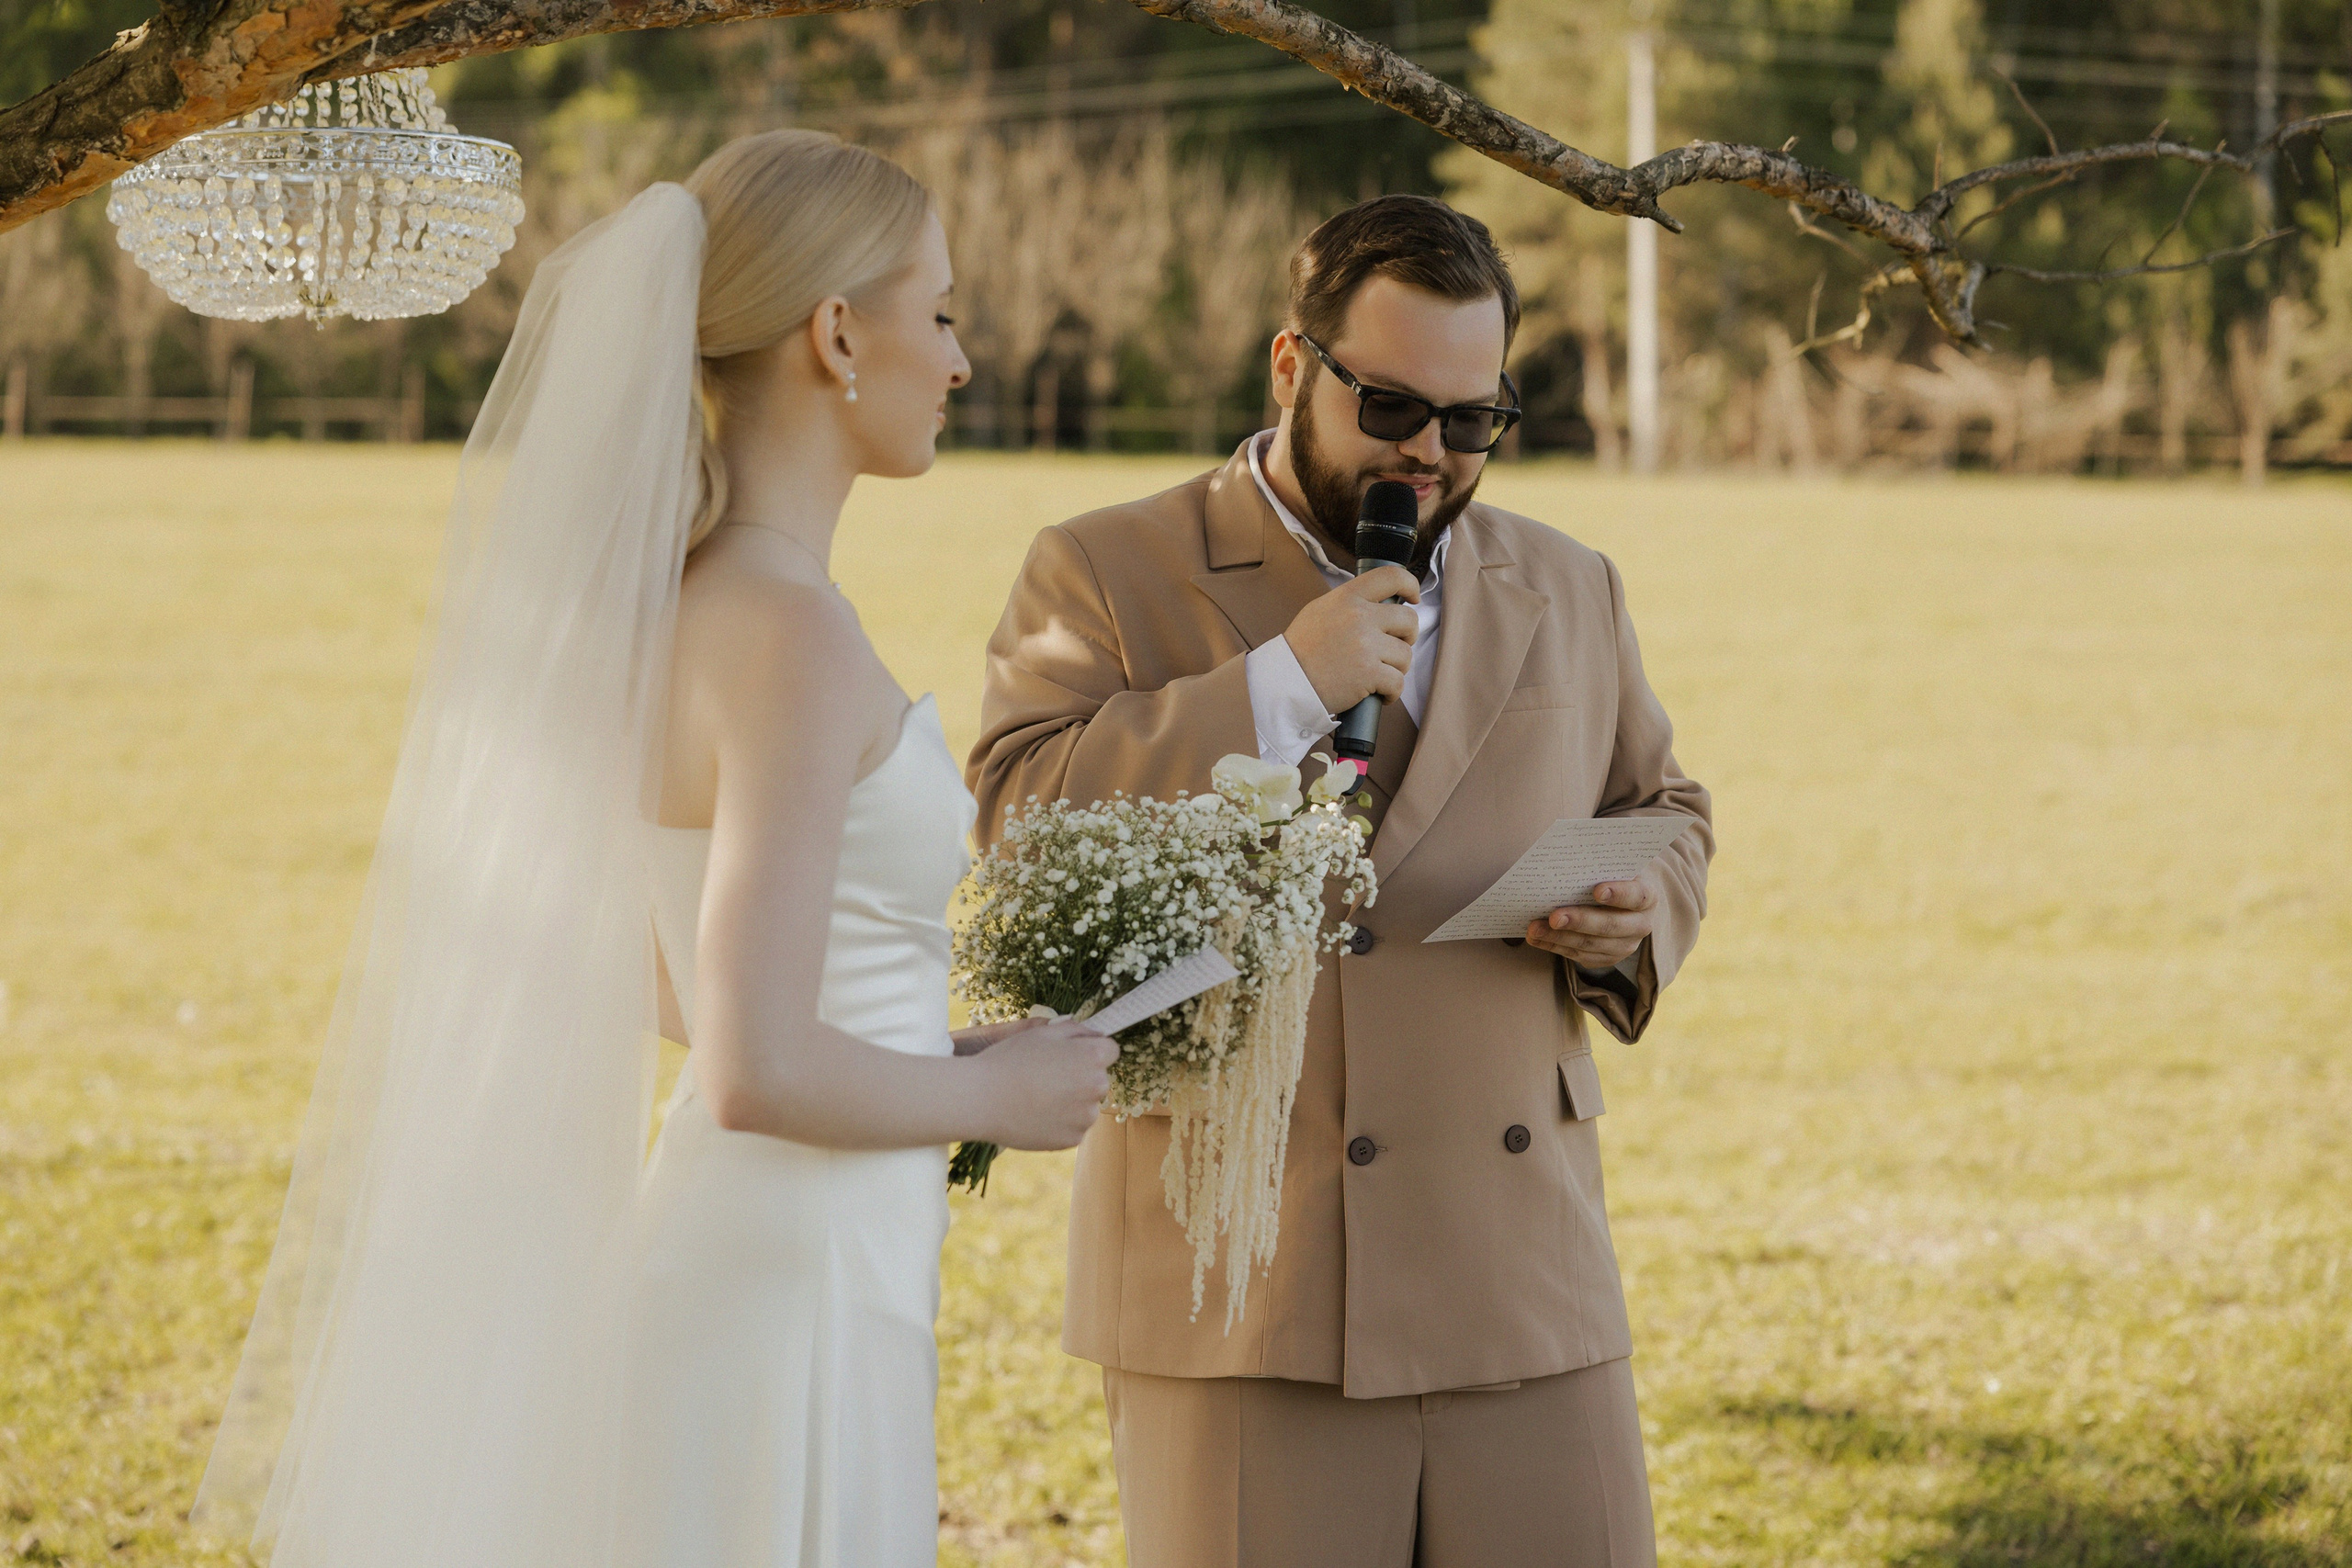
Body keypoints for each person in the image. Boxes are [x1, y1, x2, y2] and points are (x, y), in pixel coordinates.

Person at [191, 130, 1115, 1568]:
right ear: (834, 334)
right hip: (790, 1274)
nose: (960, 360)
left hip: (783, 1252)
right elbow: (754, 1071)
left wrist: (951, 1054)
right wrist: (996, 1103)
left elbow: (655, 971)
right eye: (938, 313)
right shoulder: (792, 636)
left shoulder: (681, 607)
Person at [969, 194, 1714, 1566]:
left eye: (1472, 419)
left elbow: (1663, 807)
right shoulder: (1106, 568)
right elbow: (1017, 819)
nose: (1429, 453)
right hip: (1242, 1291)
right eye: (1390, 408)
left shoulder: (1571, 582)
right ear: (1290, 368)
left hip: (1523, 1286)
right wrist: (1282, 685)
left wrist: (1634, 910)